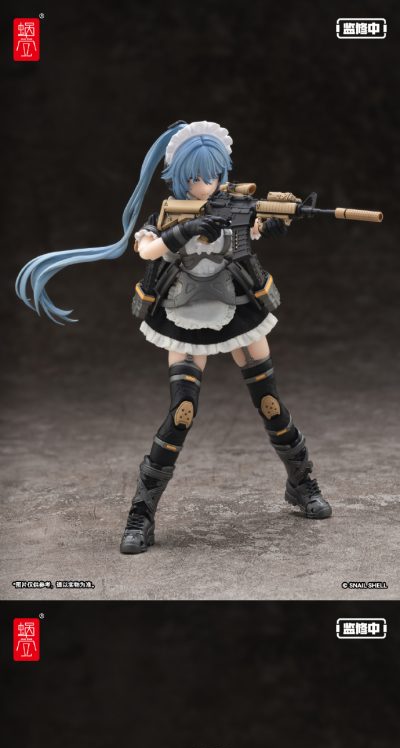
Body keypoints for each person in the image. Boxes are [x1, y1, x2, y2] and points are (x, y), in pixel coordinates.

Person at [16, 120, 332, 553]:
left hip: (239, 310)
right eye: (198, 177)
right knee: (182, 410)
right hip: (185, 317)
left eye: (214, 175)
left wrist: (276, 222)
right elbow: (146, 249)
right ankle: (141, 512)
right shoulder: (167, 215)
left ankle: (301, 482)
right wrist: (184, 231)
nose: (207, 184)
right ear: (181, 177)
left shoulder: (233, 206)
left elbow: (256, 228)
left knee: (270, 403)